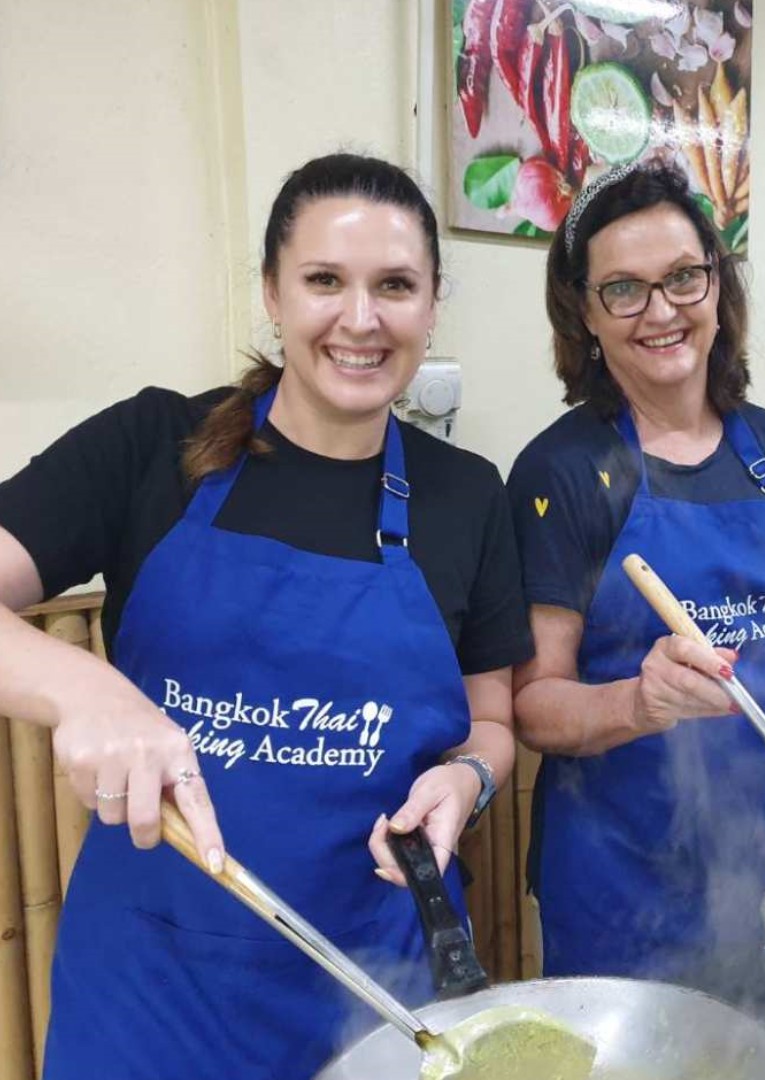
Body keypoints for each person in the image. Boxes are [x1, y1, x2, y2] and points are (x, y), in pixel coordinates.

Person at [0, 154, 533, 1079]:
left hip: (376, 989)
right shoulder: (154, 446)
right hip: (152, 995)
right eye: (324, 280)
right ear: (272, 294)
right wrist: (88, 691)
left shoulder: (467, 494)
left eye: (395, 286)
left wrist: (467, 785)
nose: (360, 319)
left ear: (432, 303)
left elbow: (492, 724)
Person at [508, 161, 765, 992]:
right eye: (624, 290)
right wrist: (639, 704)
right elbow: (534, 704)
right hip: (635, 886)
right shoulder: (563, 471)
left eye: (683, 277)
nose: (662, 311)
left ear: (717, 284)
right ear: (584, 312)